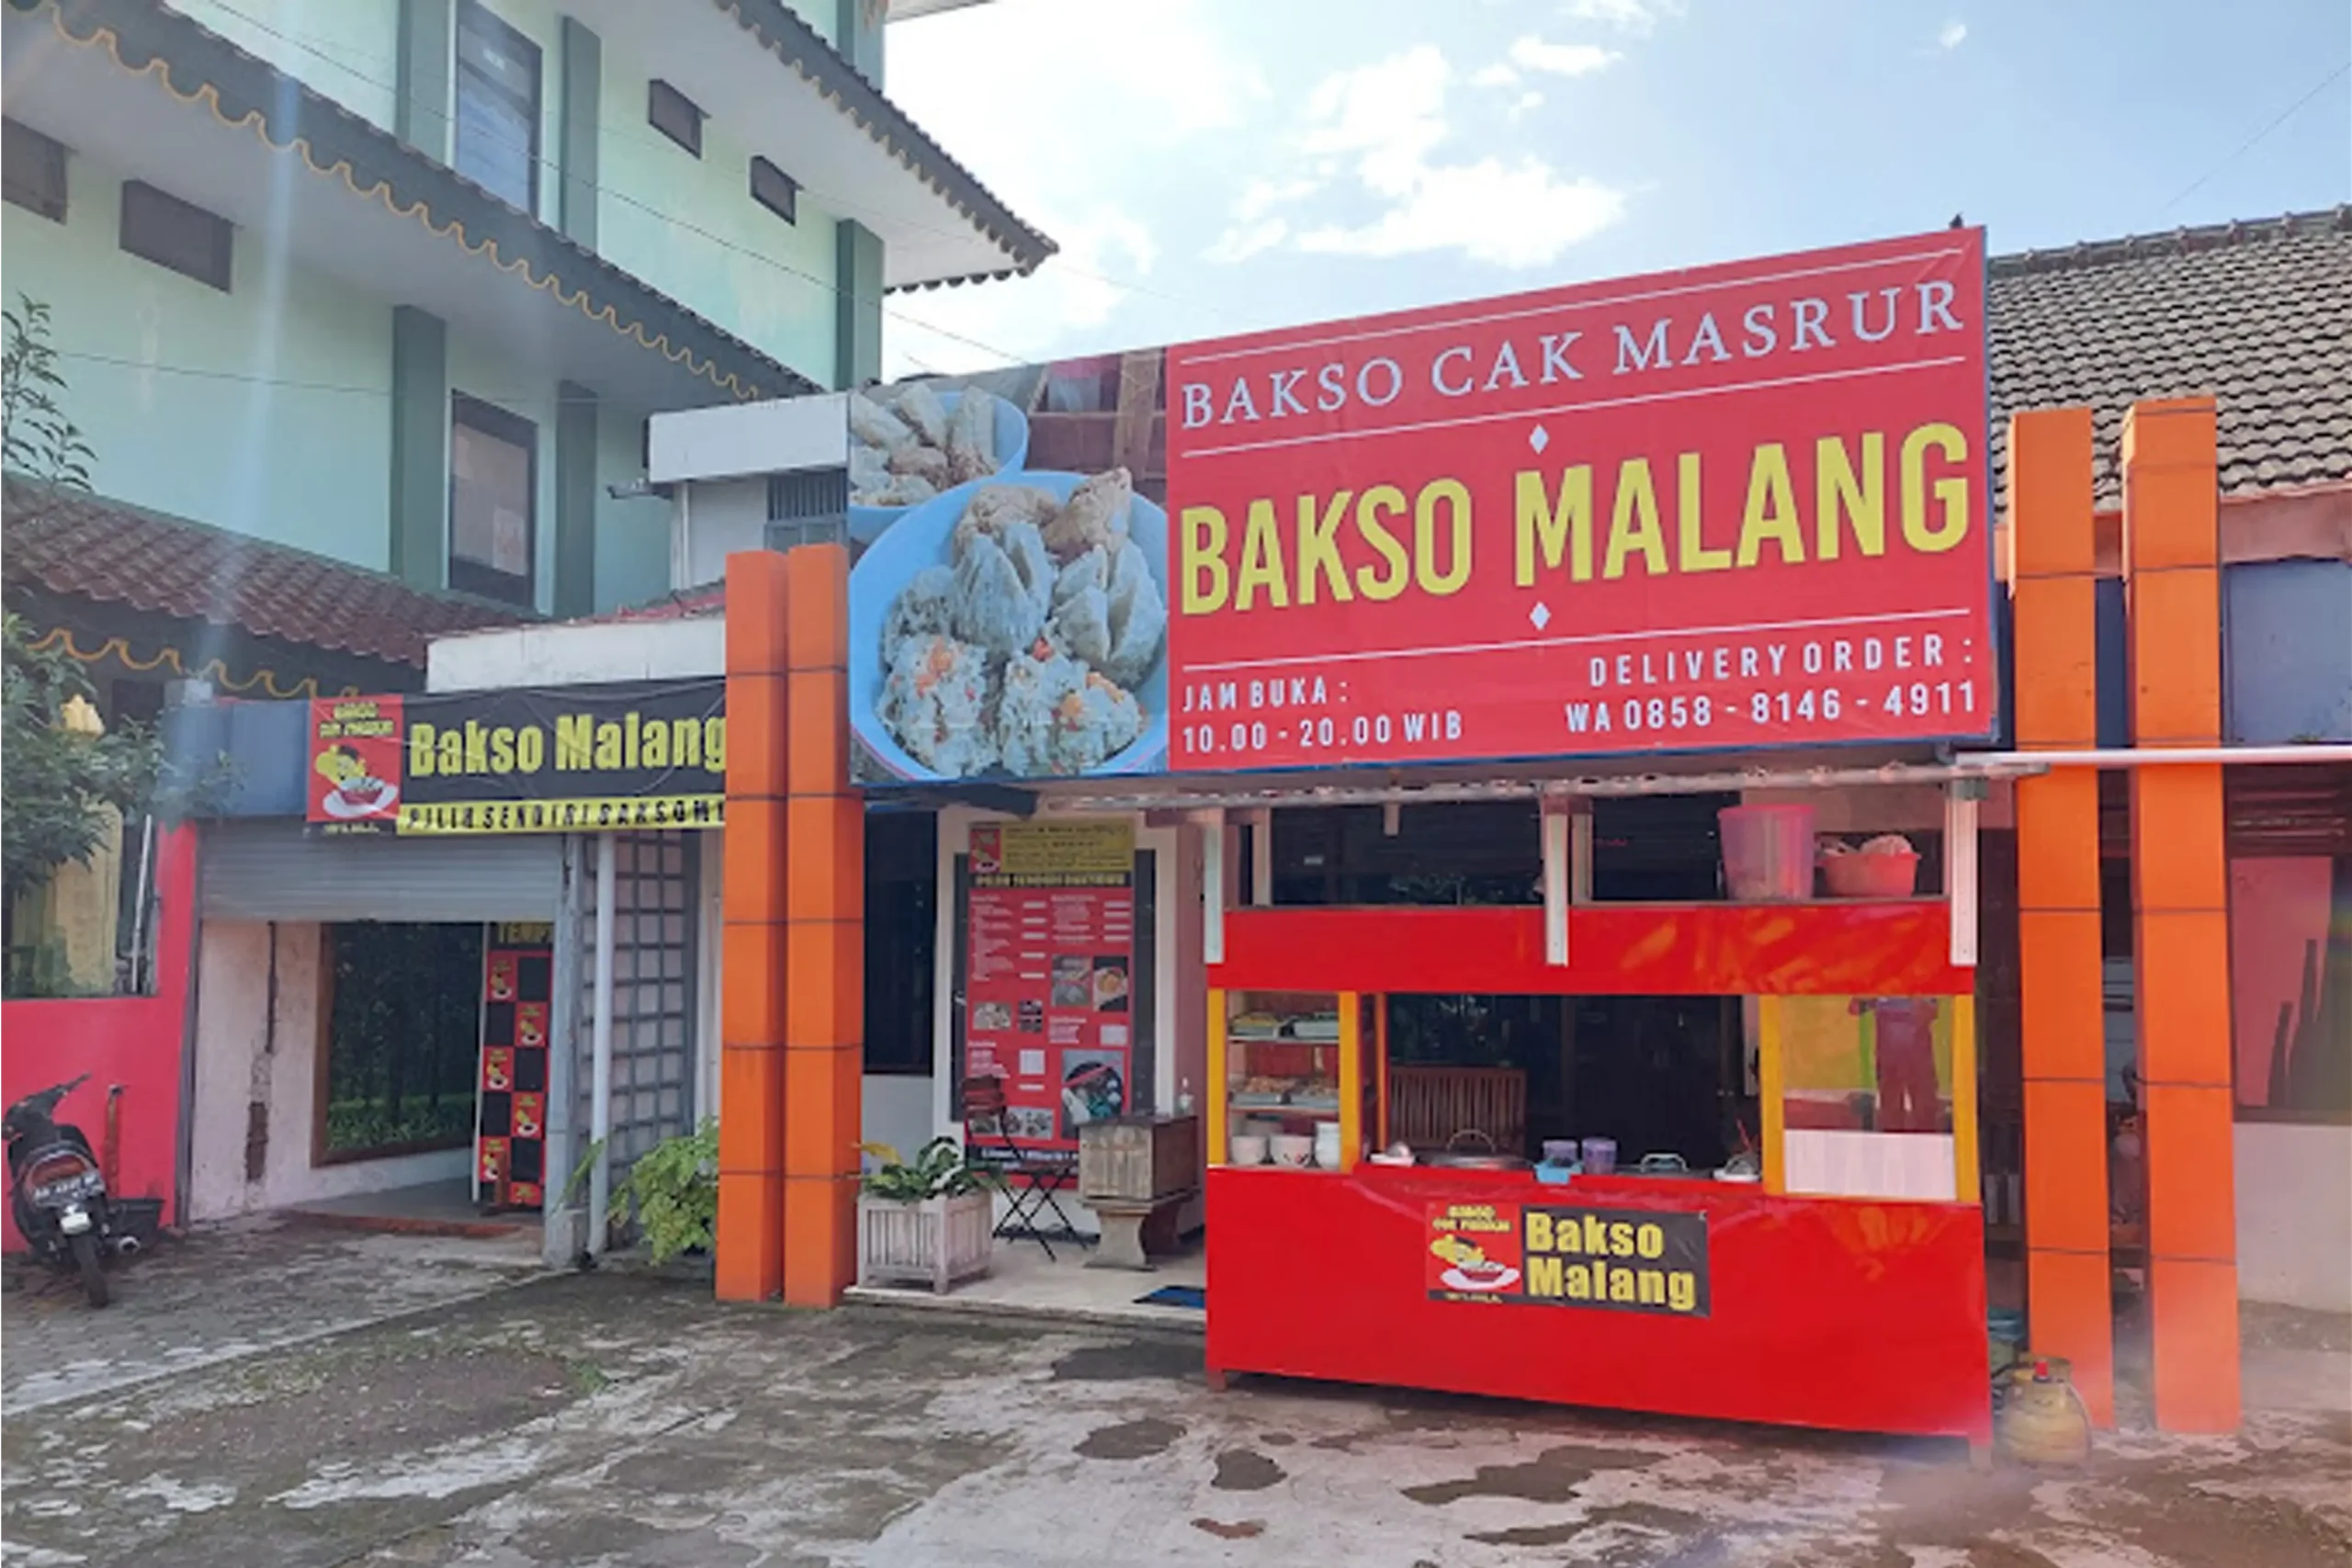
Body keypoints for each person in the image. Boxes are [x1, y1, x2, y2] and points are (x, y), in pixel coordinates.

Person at [1849, 997, 1943, 1133]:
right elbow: (1855, 1008)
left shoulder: (1921, 982)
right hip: (1889, 1054)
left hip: (1916, 1052)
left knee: (1924, 1108)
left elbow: (1930, 1011)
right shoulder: (1882, 986)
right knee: (1891, 1108)